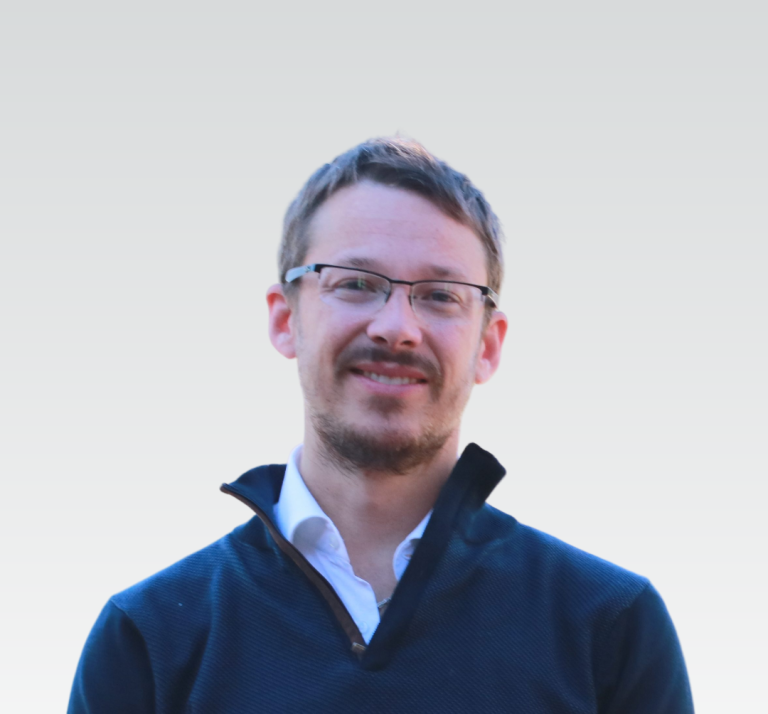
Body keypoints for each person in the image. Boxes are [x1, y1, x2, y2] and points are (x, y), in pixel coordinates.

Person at [68, 138, 694, 713]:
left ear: (488, 345)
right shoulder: (149, 639)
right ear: (285, 320)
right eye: (357, 284)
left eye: (440, 294)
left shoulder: (610, 628)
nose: (396, 327)